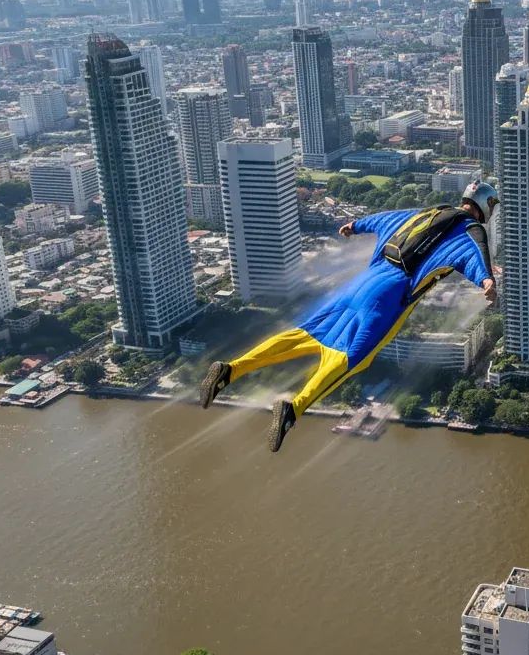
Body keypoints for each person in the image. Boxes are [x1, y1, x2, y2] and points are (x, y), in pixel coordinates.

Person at [199, 181, 499, 452]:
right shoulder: (471, 230)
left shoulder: (427, 212)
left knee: (305, 334)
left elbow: (384, 219)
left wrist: (355, 226)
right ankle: (294, 408)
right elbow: (475, 254)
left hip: (361, 281)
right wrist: (486, 281)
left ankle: (231, 370)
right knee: (351, 358)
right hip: (389, 294)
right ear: (485, 207)